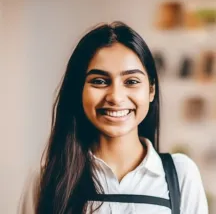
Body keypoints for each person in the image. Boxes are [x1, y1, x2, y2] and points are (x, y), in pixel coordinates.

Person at [18, 21, 208, 214]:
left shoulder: (181, 174)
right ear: (78, 90)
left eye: (131, 81)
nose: (116, 97)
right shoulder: (46, 178)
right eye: (99, 81)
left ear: (151, 90)